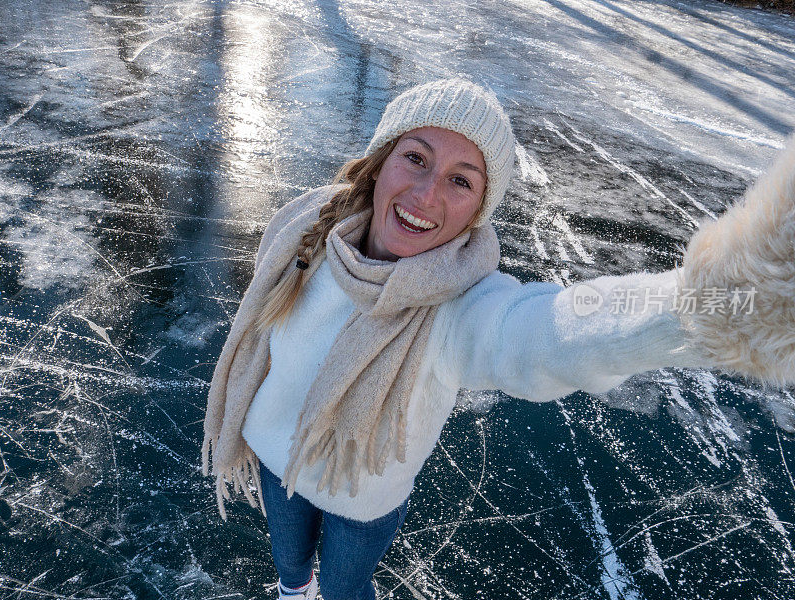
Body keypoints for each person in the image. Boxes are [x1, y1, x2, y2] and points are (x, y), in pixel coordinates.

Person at [202, 78, 795, 600]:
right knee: (291, 567)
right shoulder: (302, 231)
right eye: (416, 158)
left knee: (344, 587)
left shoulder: (462, 309)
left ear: (478, 212)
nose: (426, 195)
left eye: (461, 181)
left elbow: (547, 331)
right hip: (278, 461)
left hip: (362, 500)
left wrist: (703, 304)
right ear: (380, 161)